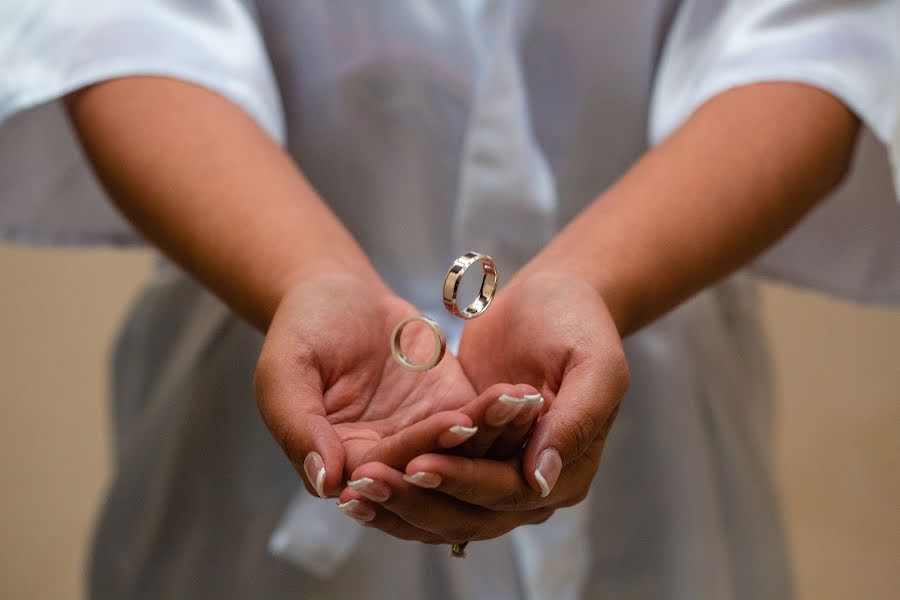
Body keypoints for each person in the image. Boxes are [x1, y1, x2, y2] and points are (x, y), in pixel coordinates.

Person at [1, 1, 898, 598]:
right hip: (265, 365)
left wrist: (590, 281)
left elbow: (815, 35)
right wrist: (308, 276)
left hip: (643, 383)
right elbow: (116, 22)